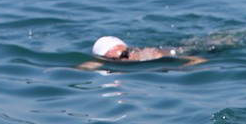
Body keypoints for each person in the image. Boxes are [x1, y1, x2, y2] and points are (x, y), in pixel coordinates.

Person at [77, 36, 206, 69]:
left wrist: (179, 68)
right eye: (115, 59)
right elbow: (82, 69)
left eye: (125, 53)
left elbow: (199, 60)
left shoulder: (153, 55)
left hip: (201, 50)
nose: (124, 59)